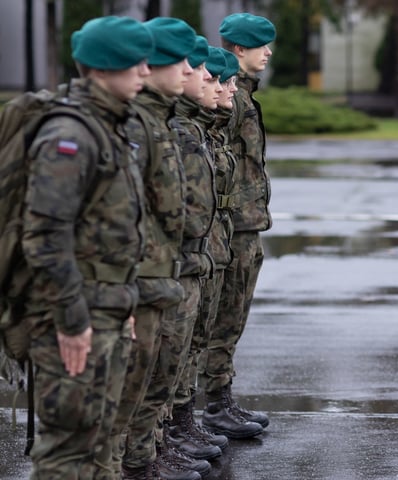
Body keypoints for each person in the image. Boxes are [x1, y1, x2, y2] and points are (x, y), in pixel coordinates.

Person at [19, 16, 151, 479]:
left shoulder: (109, 126)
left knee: (99, 442)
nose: (145, 72)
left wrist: (125, 300)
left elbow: (111, 232)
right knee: (66, 450)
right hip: (74, 319)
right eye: (135, 62)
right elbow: (46, 236)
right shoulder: (69, 137)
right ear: (104, 67)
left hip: (106, 310)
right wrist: (72, 321)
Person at [111, 17, 206, 480]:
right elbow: (123, 211)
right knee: (132, 385)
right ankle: (135, 461)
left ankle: (143, 457)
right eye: (184, 62)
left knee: (156, 375)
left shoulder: (158, 119)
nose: (194, 72)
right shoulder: (136, 124)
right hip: (140, 279)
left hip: (161, 273)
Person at [200, 12, 276, 438]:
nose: (267, 53)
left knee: (231, 317)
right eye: (261, 45)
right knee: (222, 319)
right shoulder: (231, 97)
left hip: (245, 224)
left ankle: (220, 400)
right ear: (239, 49)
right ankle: (213, 405)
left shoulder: (243, 94)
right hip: (232, 227)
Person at [167, 41, 232, 459]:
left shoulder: (194, 128)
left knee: (188, 348)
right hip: (169, 264)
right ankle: (152, 448)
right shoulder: (171, 130)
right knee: (165, 360)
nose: (220, 87)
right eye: (210, 76)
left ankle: (168, 435)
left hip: (202, 251)